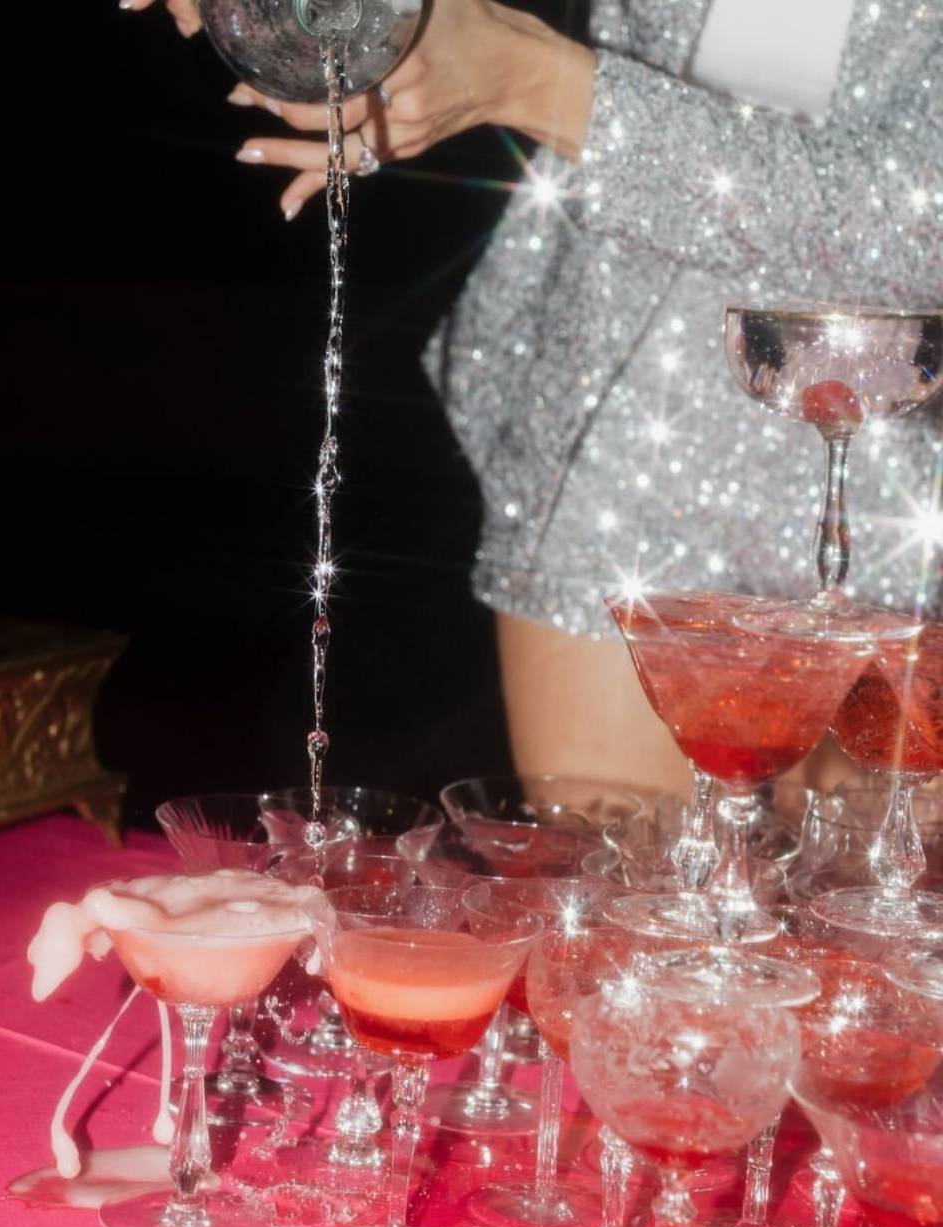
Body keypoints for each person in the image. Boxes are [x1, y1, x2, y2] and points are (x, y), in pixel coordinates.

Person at [131, 0, 943, 795]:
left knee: (880, 875)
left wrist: (532, 79)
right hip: (616, 426)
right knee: (616, 875)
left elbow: (923, 229)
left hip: (898, 473)